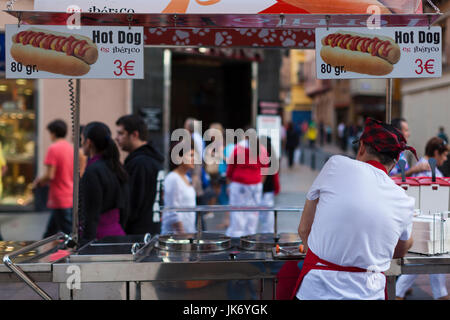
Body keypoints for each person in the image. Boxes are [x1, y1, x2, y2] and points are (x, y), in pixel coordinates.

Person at [293, 117, 416, 300]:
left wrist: (329, 255)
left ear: (362, 147)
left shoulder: (336, 165)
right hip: (369, 294)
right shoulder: (404, 200)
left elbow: (304, 229)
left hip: (317, 290)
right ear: (396, 159)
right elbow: (399, 251)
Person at [395, 137, 449, 300]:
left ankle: (400, 292)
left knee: (427, 256)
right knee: (432, 254)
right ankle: (439, 294)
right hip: (427, 219)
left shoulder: (424, 167)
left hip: (423, 219)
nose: (445, 159)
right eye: (444, 155)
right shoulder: (426, 170)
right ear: (436, 153)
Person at [79, 122, 129, 245]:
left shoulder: (93, 171)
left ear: (88, 142)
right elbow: (125, 208)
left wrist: (85, 245)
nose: (81, 143)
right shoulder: (116, 166)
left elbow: (91, 213)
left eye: (82, 139)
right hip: (117, 234)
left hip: (99, 239)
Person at [115, 115, 164, 235]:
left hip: (138, 234)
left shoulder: (140, 163)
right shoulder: (152, 159)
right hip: (152, 229)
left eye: (121, 133)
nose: (116, 138)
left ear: (134, 135)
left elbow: (132, 202)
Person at [224, 128, 269, 237]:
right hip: (255, 186)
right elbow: (265, 169)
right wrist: (259, 182)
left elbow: (230, 168)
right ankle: (250, 238)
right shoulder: (262, 149)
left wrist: (229, 182)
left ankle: (236, 237)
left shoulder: (239, 148)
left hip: (239, 185)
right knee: (253, 214)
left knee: (238, 213)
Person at [34, 120, 74, 238]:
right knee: (52, 230)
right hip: (69, 193)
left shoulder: (53, 148)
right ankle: (43, 250)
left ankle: (43, 252)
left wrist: (38, 182)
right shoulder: (70, 148)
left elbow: (50, 175)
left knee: (66, 232)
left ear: (53, 133)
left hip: (59, 195)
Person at [161, 140, 196, 234]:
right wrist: (183, 235)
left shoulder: (186, 177)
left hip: (188, 234)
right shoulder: (172, 178)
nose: (194, 159)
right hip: (176, 238)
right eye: (191, 155)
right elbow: (172, 212)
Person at [258, 136, 280, 233]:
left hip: (259, 188)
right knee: (268, 213)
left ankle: (266, 231)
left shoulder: (257, 155)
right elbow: (275, 174)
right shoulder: (271, 155)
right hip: (268, 188)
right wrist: (276, 187)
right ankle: (268, 232)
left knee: (261, 213)